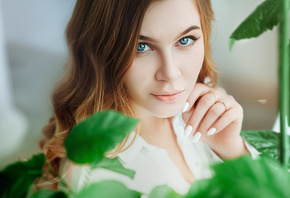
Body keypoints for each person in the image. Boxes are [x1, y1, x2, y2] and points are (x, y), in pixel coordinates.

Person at [40, 0, 260, 196]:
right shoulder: (97, 177)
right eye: (141, 46)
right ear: (102, 51)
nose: (171, 73)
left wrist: (234, 151)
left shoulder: (201, 108)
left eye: (185, 40)